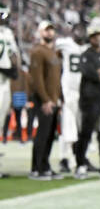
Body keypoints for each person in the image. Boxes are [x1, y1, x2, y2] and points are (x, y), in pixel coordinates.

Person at [75, 22, 100, 177]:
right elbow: (91, 73)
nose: (97, 38)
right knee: (85, 133)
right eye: (94, 36)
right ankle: (81, 164)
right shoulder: (86, 54)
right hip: (89, 98)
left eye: (99, 35)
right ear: (90, 38)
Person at [26, 20, 62, 180]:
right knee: (42, 134)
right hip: (44, 100)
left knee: (49, 135)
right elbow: (37, 78)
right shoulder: (38, 52)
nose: (50, 33)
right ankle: (37, 168)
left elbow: (56, 78)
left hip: (53, 100)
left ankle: (45, 165)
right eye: (46, 30)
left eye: (51, 30)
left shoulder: (53, 52)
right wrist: (46, 99)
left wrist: (59, 99)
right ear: (40, 32)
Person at [55, 23, 86, 174]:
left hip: (83, 92)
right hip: (68, 90)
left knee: (79, 127)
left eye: (82, 30)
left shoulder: (87, 48)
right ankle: (64, 158)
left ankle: (79, 157)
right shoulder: (65, 44)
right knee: (68, 126)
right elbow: (52, 52)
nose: (80, 33)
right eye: (77, 29)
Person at [0, 6, 20, 150]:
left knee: (2, 119)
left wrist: (14, 68)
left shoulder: (7, 33)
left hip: (5, 80)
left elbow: (13, 53)